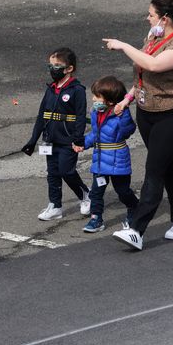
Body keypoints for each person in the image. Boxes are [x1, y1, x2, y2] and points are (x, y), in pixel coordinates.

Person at [103, 0, 173, 251]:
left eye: (151, 14)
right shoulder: (154, 37)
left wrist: (124, 46)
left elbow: (154, 65)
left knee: (154, 169)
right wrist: (128, 98)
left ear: (165, 18)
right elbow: (143, 74)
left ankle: (136, 228)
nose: (147, 18)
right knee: (167, 167)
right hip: (147, 112)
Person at [22, 47, 91, 221]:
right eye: (51, 65)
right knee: (52, 173)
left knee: (66, 171)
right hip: (50, 139)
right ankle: (55, 206)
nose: (53, 69)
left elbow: (81, 116)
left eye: (58, 65)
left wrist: (78, 139)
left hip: (68, 140)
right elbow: (41, 116)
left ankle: (85, 195)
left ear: (69, 69)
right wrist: (33, 140)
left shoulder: (77, 90)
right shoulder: (51, 89)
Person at [72, 76, 139, 233]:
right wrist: (83, 143)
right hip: (100, 160)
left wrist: (123, 113)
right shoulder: (96, 113)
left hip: (118, 159)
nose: (94, 99)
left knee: (123, 191)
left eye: (97, 96)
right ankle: (96, 218)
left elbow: (128, 130)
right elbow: (96, 135)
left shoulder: (120, 115)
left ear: (110, 101)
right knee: (96, 191)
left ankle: (134, 207)